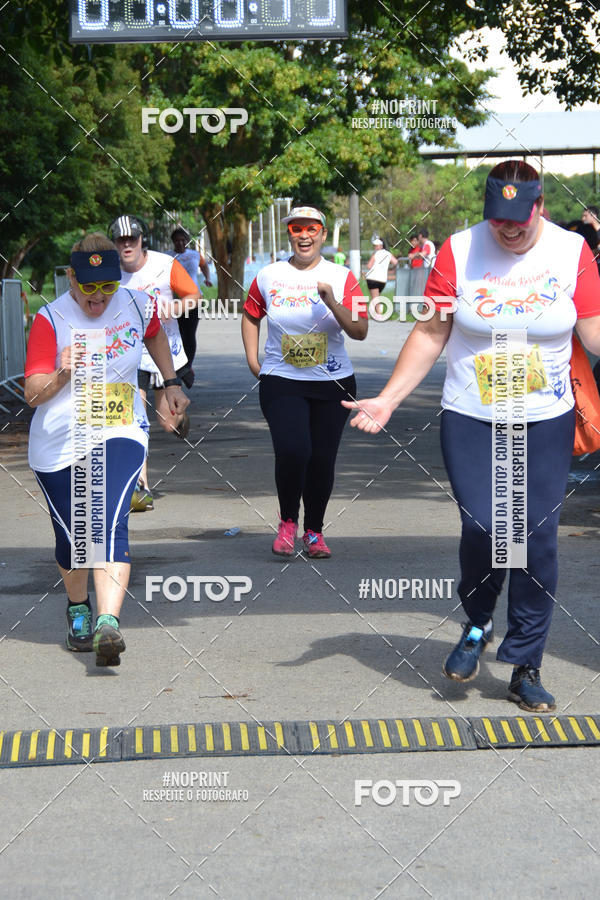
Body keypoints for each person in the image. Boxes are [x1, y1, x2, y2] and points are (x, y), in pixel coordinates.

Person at [343, 160, 600, 712]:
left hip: (545, 416)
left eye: (519, 220)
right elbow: (431, 331)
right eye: (497, 220)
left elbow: (594, 330)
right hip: (472, 414)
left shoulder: (571, 252)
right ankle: (478, 622)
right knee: (485, 526)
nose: (508, 230)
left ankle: (526, 664)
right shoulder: (458, 251)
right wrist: (388, 399)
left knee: (536, 537)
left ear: (539, 207)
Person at [24, 233, 189, 666]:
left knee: (108, 518)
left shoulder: (135, 303)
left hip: (120, 428)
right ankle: (78, 606)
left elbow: (154, 334)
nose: (98, 297)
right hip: (59, 443)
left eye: (108, 286)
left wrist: (170, 383)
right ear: (71, 278)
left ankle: (107, 622)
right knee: (74, 537)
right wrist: (61, 373)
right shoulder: (50, 319)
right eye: (89, 287)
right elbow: (32, 394)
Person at [241, 204, 368, 558]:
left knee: (322, 460)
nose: (304, 236)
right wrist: (253, 360)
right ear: (290, 235)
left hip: (333, 382)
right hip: (282, 380)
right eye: (297, 229)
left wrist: (332, 302)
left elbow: (360, 330)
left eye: (311, 229)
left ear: (323, 234)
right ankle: (287, 522)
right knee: (294, 450)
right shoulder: (269, 275)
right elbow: (251, 315)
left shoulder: (342, 277)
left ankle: (314, 531)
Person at [109, 215, 200, 510]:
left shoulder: (164, 264)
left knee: (167, 423)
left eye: (131, 239)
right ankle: (140, 486)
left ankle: (181, 419)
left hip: (164, 352)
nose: (127, 245)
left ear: (141, 240)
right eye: (121, 240)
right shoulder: (110, 272)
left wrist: (176, 305)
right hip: (129, 355)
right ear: (114, 243)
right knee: (133, 418)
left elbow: (194, 295)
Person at [169, 226, 212, 379]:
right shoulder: (168, 256)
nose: (180, 243)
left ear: (187, 241)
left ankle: (188, 365)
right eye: (177, 241)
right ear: (173, 242)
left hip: (194, 299)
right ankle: (178, 363)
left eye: (183, 240)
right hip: (175, 301)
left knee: (190, 333)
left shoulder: (194, 255)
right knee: (178, 333)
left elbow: (204, 265)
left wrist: (207, 278)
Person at [364, 238, 398, 316]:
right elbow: (396, 262)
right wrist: (392, 270)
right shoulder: (388, 254)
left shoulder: (375, 254)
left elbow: (369, 266)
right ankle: (375, 311)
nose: (375, 247)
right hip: (383, 279)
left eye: (375, 246)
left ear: (380, 246)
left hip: (372, 277)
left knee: (375, 297)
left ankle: (378, 313)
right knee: (377, 296)